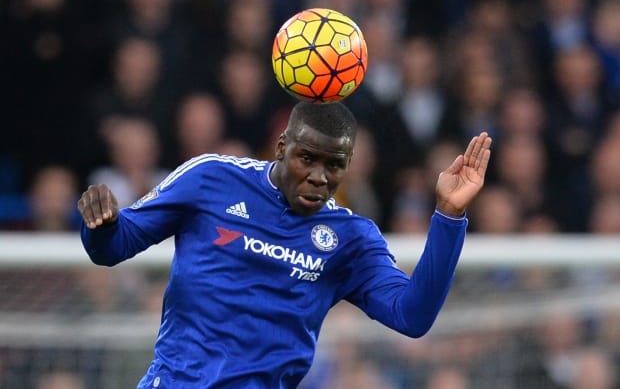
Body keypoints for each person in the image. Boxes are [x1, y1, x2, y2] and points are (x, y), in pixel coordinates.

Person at [77, 101, 492, 388]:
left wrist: (449, 216)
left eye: (334, 165)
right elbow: (112, 247)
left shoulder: (350, 238)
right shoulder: (211, 178)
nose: (319, 176)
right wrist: (102, 224)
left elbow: (412, 316)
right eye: (306, 158)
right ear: (281, 148)